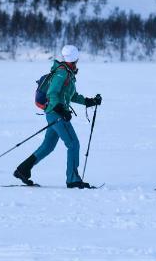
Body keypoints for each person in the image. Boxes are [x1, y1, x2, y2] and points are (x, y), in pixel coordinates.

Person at [14, 44, 102, 188]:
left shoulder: (67, 72)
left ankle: (23, 169)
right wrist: (61, 109)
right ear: (76, 58)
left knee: (48, 146)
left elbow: (70, 95)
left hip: (55, 113)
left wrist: (89, 101)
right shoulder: (62, 73)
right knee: (73, 144)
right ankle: (73, 179)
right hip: (56, 114)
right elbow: (52, 93)